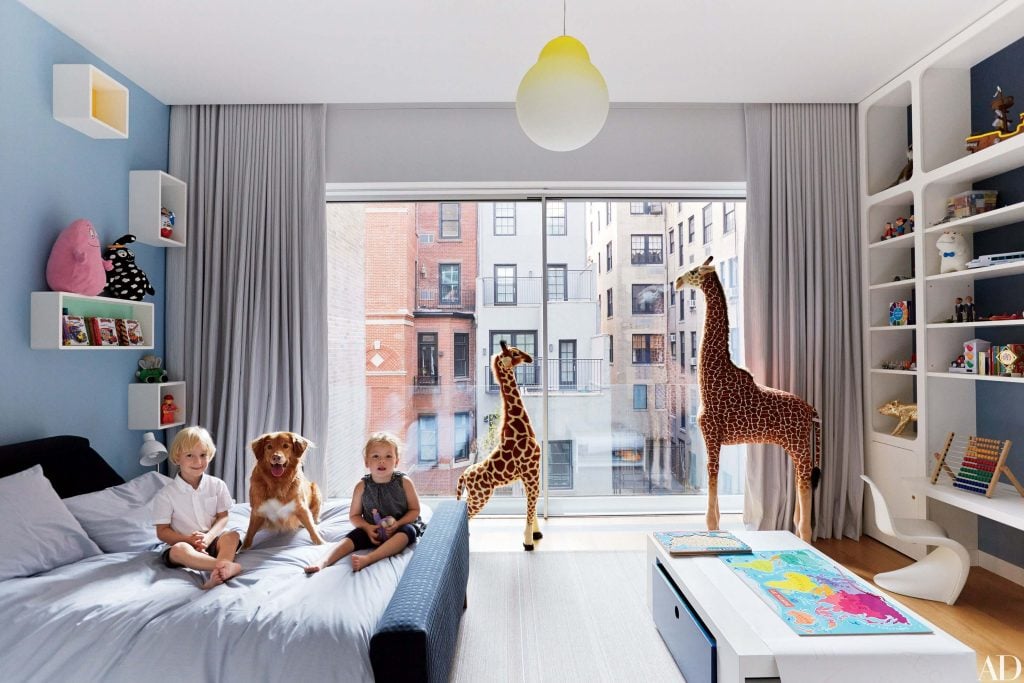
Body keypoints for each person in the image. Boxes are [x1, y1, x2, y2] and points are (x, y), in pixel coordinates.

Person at [305, 432, 424, 574]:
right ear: (366, 461)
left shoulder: (404, 482)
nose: (382, 461)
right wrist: (367, 527)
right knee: (352, 536)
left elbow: (415, 510)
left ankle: (369, 558)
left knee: (408, 533)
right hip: (373, 530)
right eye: (376, 456)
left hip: (400, 527)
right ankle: (323, 561)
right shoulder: (362, 486)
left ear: (396, 461)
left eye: (388, 456)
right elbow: (354, 516)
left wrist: (398, 524)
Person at [152, 426, 242, 589]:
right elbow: (162, 532)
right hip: (183, 542)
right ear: (177, 458)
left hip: (212, 539)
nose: (198, 462)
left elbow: (223, 516)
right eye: (190, 456)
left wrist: (208, 538)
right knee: (179, 550)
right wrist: (188, 540)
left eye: (203, 455)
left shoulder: (217, 485)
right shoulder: (166, 494)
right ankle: (225, 566)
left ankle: (221, 569)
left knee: (232, 536)